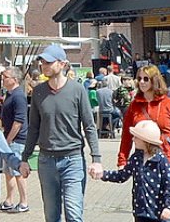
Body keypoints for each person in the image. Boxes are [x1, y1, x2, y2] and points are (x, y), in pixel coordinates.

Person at [18, 43, 103, 222]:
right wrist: (24, 159)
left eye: (49, 62)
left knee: (73, 214)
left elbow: (89, 126)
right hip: (46, 161)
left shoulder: (77, 90)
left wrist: (96, 159)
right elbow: (33, 127)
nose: (44, 66)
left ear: (62, 64)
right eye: (42, 62)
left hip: (73, 160)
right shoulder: (39, 92)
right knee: (51, 215)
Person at [119, 66, 170, 178]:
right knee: (142, 195)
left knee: (167, 195)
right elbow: (126, 136)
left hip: (166, 158)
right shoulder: (134, 106)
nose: (142, 82)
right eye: (139, 79)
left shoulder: (167, 103)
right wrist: (122, 161)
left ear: (155, 80)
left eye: (146, 79)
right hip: (142, 160)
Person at [101, 119, 170, 222]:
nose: (133, 139)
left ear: (146, 141)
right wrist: (103, 174)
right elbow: (122, 176)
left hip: (157, 213)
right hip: (140, 212)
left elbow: (169, 187)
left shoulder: (161, 161)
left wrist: (168, 207)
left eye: (136, 137)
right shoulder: (136, 158)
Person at [0, 67, 31, 213]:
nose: (3, 79)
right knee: (8, 172)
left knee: (18, 172)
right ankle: (9, 200)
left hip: (17, 140)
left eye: (5, 77)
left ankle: (24, 202)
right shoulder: (9, 94)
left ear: (15, 80)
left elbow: (19, 121)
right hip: (10, 138)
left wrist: (9, 139)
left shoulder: (18, 96)